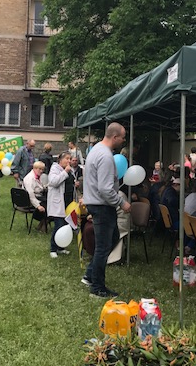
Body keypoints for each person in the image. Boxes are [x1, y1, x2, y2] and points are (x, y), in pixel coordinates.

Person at [81, 122, 131, 299]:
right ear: (115, 137)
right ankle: (97, 288)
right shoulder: (106, 156)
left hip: (96, 203)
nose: (123, 140)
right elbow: (105, 188)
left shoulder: (95, 150)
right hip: (102, 205)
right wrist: (122, 203)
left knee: (113, 237)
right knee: (103, 247)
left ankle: (90, 274)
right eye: (123, 137)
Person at [48, 152, 72, 258]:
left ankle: (61, 247)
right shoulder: (54, 169)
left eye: (70, 159)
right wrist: (65, 172)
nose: (69, 161)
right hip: (58, 202)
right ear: (60, 160)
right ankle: (53, 249)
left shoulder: (69, 170)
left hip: (68, 201)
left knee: (65, 226)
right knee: (58, 226)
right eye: (67, 158)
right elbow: (53, 182)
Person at [22, 161, 48, 230]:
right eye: (39, 169)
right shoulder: (29, 178)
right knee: (49, 206)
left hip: (38, 196)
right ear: (34, 168)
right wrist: (38, 206)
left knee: (51, 201)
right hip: (29, 201)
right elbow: (30, 195)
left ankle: (42, 224)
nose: (41, 171)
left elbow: (39, 187)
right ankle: (43, 224)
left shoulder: (37, 176)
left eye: (42, 169)